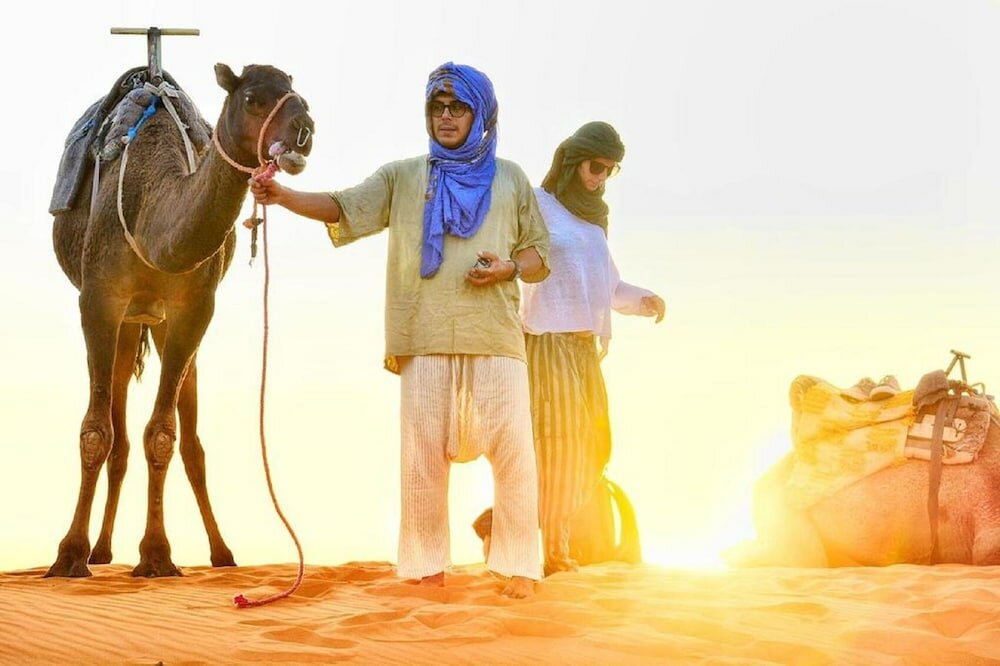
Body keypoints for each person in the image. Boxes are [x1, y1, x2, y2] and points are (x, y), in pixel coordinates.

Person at [249, 62, 549, 598]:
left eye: (458, 107)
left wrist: (508, 268)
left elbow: (538, 254)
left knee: (514, 456)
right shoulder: (402, 176)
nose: (446, 117)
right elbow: (344, 206)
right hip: (422, 333)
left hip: (497, 336)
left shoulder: (511, 179)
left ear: (481, 114)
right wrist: (284, 197)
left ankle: (520, 567)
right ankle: (426, 568)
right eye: (437, 107)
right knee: (421, 462)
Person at [520, 121, 665, 576]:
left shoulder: (595, 220)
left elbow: (608, 285)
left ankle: (533, 531)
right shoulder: (535, 204)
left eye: (610, 170)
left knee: (594, 446)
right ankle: (553, 551)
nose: (601, 177)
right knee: (558, 445)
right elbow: (512, 260)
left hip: (585, 348)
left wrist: (644, 300)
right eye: (596, 166)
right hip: (546, 340)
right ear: (573, 161)